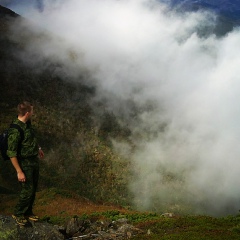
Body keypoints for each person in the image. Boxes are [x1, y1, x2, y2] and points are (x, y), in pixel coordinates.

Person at [7, 101, 44, 226]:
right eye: (32, 111)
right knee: (27, 190)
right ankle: (18, 213)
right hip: (24, 163)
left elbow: (30, 138)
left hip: (33, 160)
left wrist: (38, 149)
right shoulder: (15, 130)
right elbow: (11, 153)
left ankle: (28, 212)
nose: (33, 113)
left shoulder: (27, 124)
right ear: (27, 113)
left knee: (33, 189)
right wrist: (19, 171)